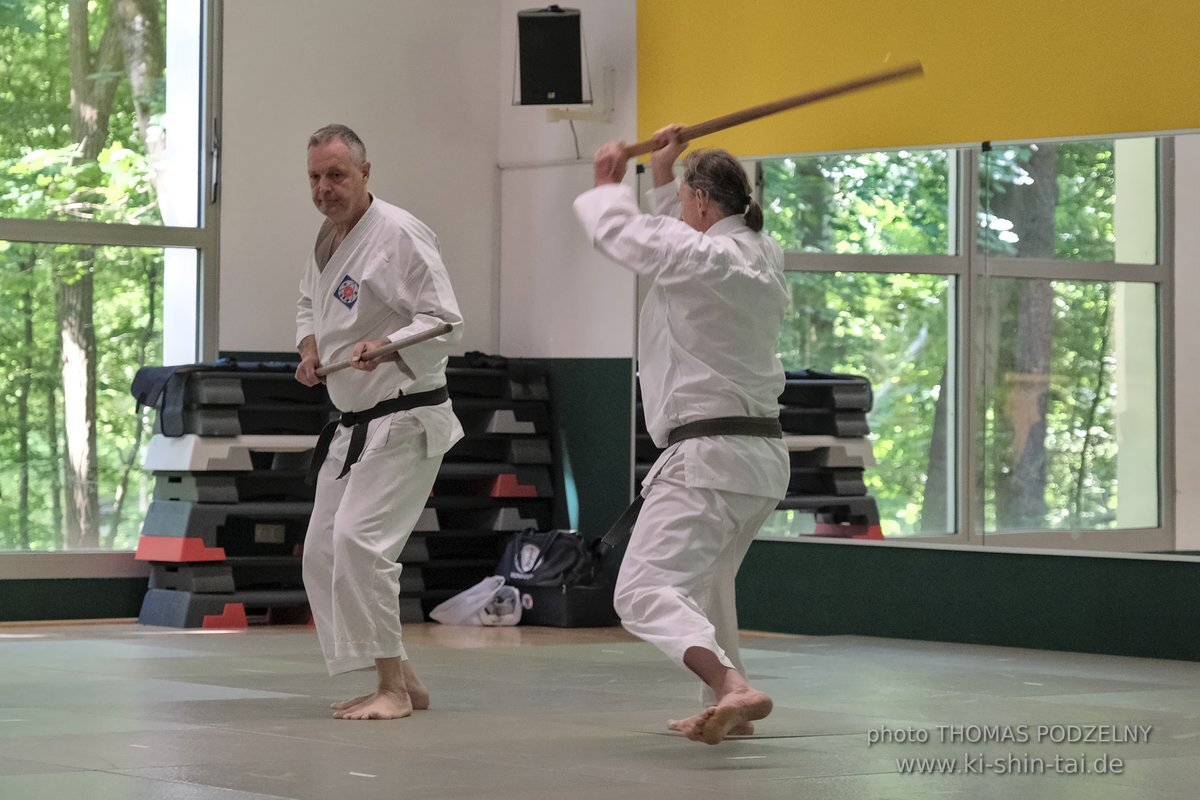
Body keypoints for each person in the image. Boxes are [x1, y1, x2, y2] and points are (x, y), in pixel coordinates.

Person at [573, 126, 791, 745]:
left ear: (700, 203)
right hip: (758, 460)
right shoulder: (759, 253)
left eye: (684, 200)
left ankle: (731, 689)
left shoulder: (705, 257)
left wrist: (608, 183)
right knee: (706, 586)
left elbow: (630, 235)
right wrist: (666, 175)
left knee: (642, 591)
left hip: (709, 457)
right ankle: (730, 701)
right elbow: (675, 235)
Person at [295, 123, 463, 720]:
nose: (325, 188)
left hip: (405, 417)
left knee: (359, 543)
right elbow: (308, 306)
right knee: (320, 549)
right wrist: (310, 350)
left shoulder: (399, 233)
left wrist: (388, 344)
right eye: (315, 177)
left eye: (336, 175)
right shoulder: (327, 240)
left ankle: (391, 688)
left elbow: (444, 319)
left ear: (366, 173)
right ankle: (401, 678)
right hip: (352, 421)